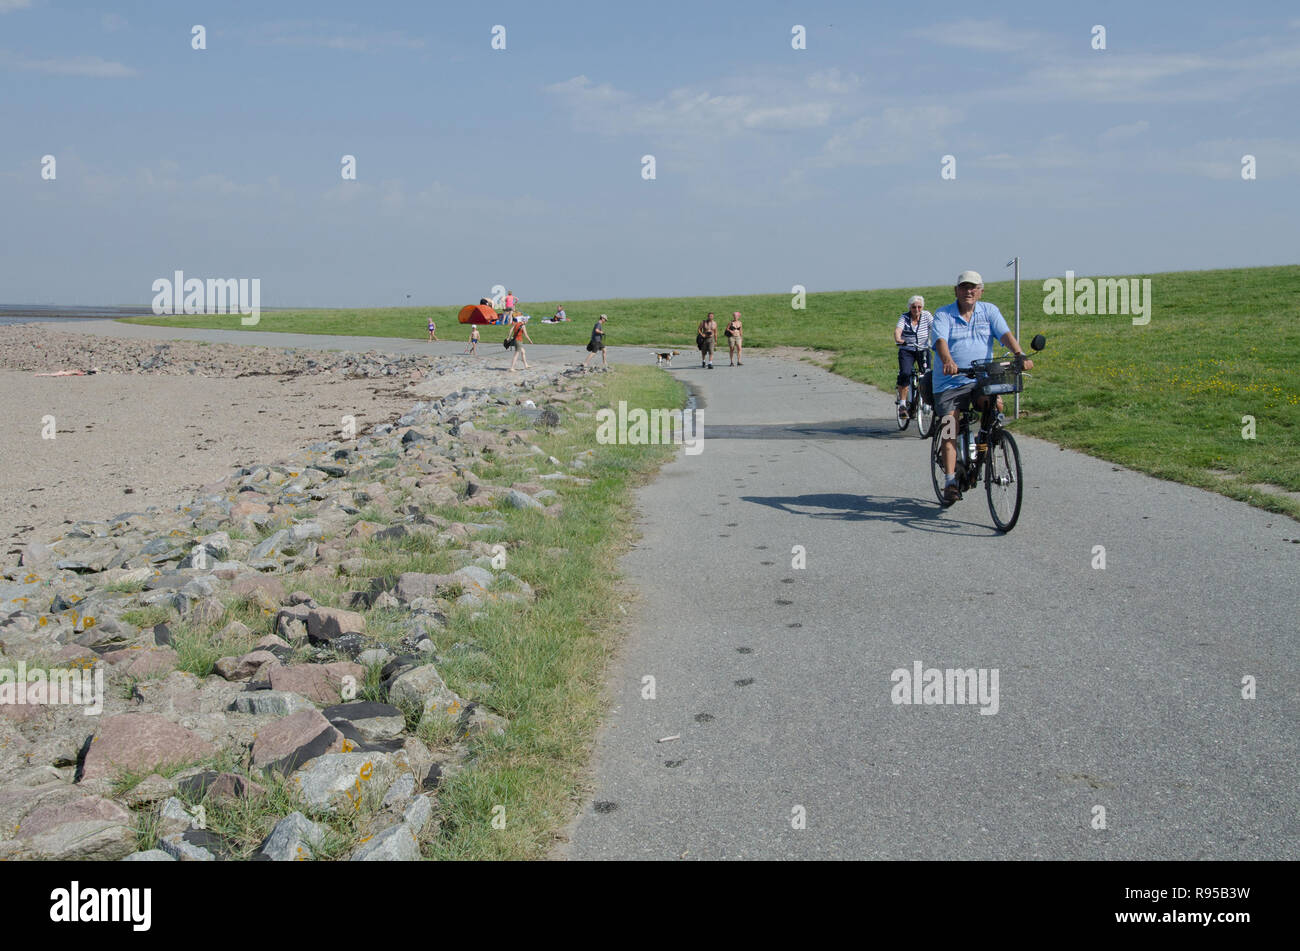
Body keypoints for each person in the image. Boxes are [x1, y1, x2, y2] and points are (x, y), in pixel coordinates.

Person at [931, 271, 1033, 505]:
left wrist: (1019, 354)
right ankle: (950, 481)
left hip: (980, 379)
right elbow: (940, 342)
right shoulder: (944, 314)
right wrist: (947, 360)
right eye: (964, 287)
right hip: (951, 382)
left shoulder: (989, 311)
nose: (969, 291)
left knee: (994, 404)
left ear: (980, 291)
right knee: (949, 425)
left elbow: (1004, 334)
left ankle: (986, 440)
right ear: (956, 290)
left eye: (973, 287)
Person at [893, 295, 932, 419]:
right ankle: (903, 405)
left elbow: (935, 327)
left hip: (923, 349)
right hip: (907, 349)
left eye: (919, 307)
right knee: (905, 373)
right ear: (910, 307)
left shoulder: (926, 316)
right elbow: (898, 331)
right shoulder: (904, 317)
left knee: (926, 375)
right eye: (914, 307)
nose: (916, 309)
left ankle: (925, 400)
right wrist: (899, 339)